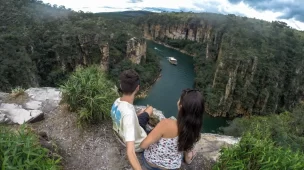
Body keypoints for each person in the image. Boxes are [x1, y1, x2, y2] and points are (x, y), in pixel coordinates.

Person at [140, 89, 204, 170]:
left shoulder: (166, 124)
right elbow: (187, 158)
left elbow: (143, 145)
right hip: (172, 167)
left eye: (179, 99)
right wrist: (189, 159)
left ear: (181, 106)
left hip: (151, 164)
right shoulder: (195, 131)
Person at [111, 69, 153, 170]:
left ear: (121, 86)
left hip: (128, 128)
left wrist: (136, 114)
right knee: (161, 131)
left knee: (149, 110)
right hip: (139, 142)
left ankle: (143, 114)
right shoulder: (129, 115)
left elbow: (125, 117)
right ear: (137, 88)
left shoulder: (117, 102)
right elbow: (130, 152)